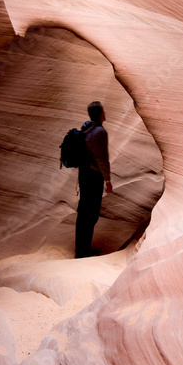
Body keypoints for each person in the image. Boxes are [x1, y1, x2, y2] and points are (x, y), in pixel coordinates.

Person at [75, 101, 113, 258]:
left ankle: (80, 250)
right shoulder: (100, 132)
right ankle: (84, 252)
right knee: (91, 215)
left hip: (83, 175)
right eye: (103, 111)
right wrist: (108, 180)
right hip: (93, 177)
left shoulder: (85, 127)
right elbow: (102, 159)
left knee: (83, 213)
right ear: (100, 114)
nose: (105, 113)